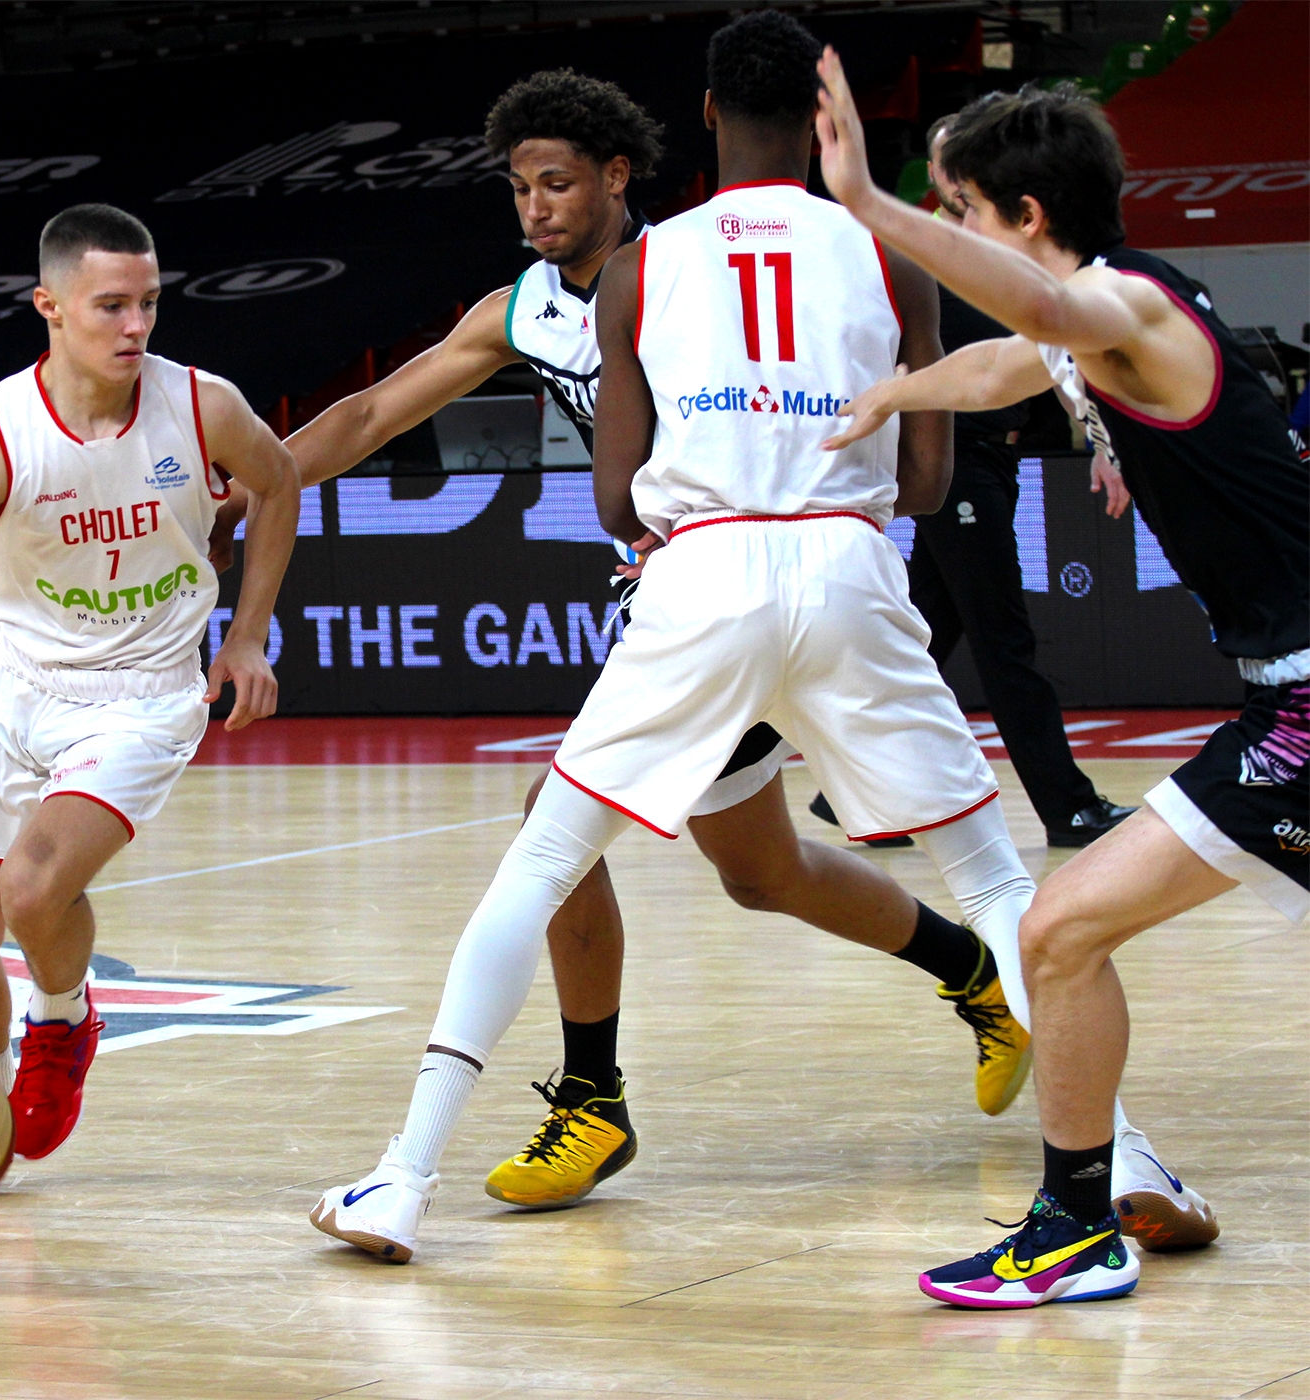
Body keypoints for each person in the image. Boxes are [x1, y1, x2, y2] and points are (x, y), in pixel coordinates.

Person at [309, 12, 1207, 1266]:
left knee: (544, 859)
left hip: (705, 569)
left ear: (711, 116)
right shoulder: (890, 252)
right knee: (1001, 882)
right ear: (819, 122)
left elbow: (618, 497)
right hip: (849, 564)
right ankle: (1133, 1156)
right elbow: (934, 479)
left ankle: (401, 1179)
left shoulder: (643, 266)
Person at [215, 69, 1030, 1220]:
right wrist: (251, 480)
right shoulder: (526, 307)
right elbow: (370, 414)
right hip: (696, 598)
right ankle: (981, 975)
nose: (536, 207)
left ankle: (591, 1098)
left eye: (556, 182)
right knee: (762, 872)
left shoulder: (694, 267)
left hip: (750, 573)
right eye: (518, 187)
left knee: (559, 835)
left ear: (615, 177)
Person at [813, 64, 1307, 1307]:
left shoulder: (1125, 301)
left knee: (1059, 928)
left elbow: (1038, 308)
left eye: (967, 210)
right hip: (1287, 693)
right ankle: (1094, 1210)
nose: (961, 235)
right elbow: (1000, 367)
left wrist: (870, 201)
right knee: (1063, 929)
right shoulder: (1103, 318)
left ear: (1027, 215)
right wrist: (893, 391)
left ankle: (1076, 1224)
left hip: (1305, 707)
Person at [0, 204, 300, 1163]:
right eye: (112, 306)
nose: (137, 326)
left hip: (144, 690)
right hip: (19, 688)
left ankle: (63, 1016)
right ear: (49, 305)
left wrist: (247, 638)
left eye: (151, 304)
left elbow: (282, 478)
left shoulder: (200, 405)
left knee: (35, 890)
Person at [806, 119, 1136, 850]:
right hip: (956, 465)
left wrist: (1104, 442)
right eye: (948, 153)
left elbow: (1049, 350)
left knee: (920, 640)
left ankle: (848, 794)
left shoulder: (1005, 249)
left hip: (996, 459)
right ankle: (1067, 807)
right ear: (935, 169)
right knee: (1004, 643)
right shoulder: (922, 251)